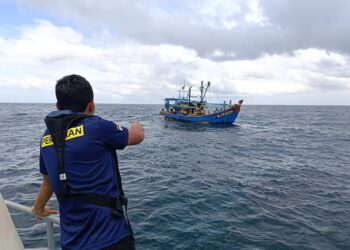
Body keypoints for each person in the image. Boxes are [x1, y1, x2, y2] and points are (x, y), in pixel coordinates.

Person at [32, 74, 144, 250]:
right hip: (111, 238)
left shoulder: (47, 138)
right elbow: (136, 137)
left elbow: (47, 184)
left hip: (72, 242)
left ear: (58, 106)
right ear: (91, 106)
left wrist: (38, 209)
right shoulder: (97, 126)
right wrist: (137, 125)